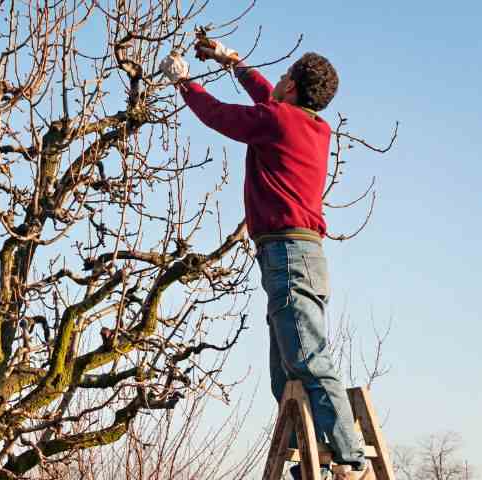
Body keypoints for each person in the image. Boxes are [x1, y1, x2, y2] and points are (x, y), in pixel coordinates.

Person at [159, 42, 374, 480]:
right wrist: (231, 61)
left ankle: (351, 463)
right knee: (286, 374)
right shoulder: (309, 126)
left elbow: (223, 116)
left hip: (288, 255)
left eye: (281, 80)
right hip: (296, 254)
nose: (274, 84)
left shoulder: (277, 120)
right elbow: (265, 97)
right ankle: (306, 457)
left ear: (291, 86)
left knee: (309, 360)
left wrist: (183, 83)